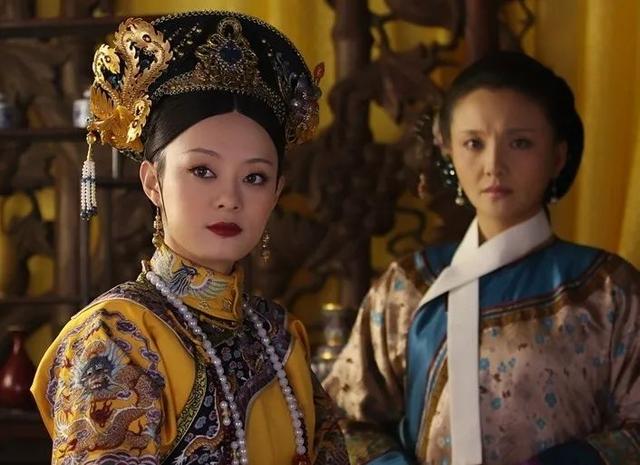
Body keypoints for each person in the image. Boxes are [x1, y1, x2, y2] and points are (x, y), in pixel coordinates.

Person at [31, 11, 347, 465]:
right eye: (202, 170)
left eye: (255, 177)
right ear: (152, 182)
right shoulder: (115, 337)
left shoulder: (279, 337)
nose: (229, 198)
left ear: (277, 192)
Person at [323, 51, 640, 465]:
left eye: (520, 143)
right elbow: (341, 420)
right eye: (474, 143)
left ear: (558, 156)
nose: (494, 165)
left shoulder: (606, 289)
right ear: (447, 149)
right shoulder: (408, 286)